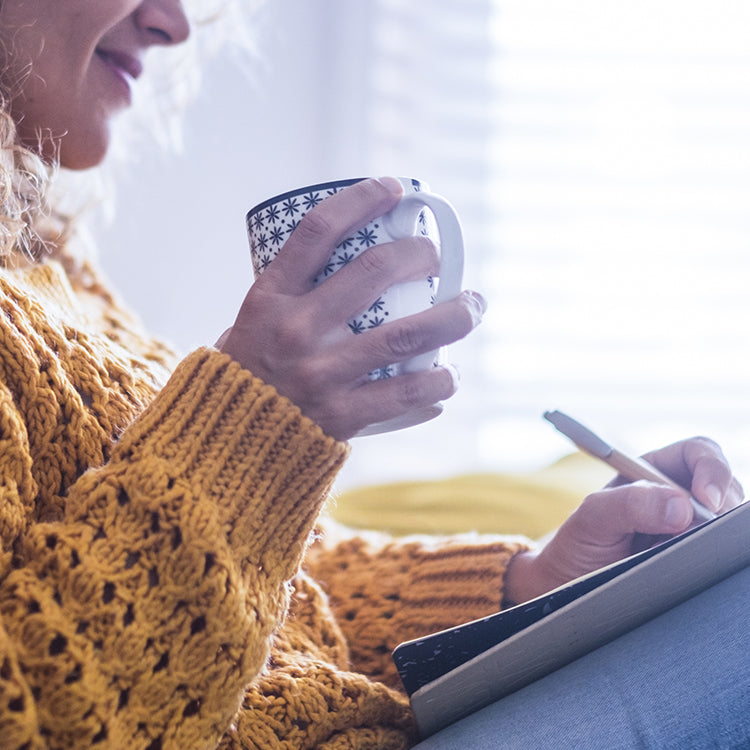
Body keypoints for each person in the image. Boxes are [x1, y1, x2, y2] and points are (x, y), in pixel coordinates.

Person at [0, 2, 745, 749]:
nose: (175, 23)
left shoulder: (51, 267)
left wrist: (528, 584)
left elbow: (271, 599)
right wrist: (252, 437)